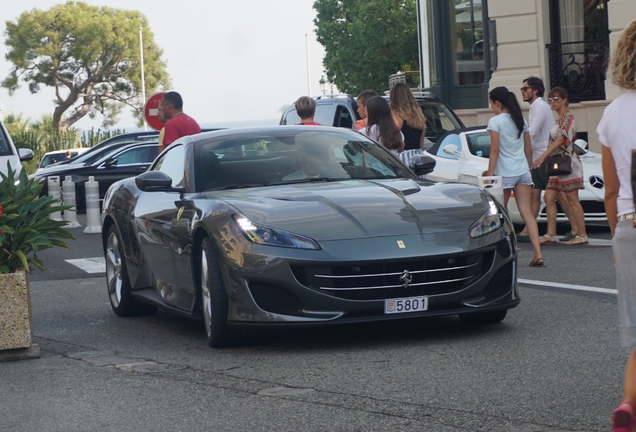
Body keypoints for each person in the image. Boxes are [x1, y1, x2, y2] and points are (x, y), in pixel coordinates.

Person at [597, 19, 636, 432]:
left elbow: (611, 191)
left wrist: (614, 241)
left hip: (629, 226)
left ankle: (629, 404)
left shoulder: (611, 114)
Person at [485, 86, 543, 266]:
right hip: (522, 171)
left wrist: (489, 175)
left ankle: (502, 252)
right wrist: (528, 168)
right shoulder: (520, 120)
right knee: (527, 213)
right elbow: (528, 148)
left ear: (497, 102)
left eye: (491, 104)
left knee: (499, 214)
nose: (491, 107)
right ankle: (538, 254)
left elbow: (494, 151)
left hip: (505, 173)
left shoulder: (495, 122)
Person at [517, 77, 578, 243]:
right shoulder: (536, 108)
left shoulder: (542, 107)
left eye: (525, 88)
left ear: (535, 90)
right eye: (522, 89)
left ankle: (576, 228)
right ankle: (529, 230)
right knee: (536, 194)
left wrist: (518, 147)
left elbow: (532, 132)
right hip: (537, 157)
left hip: (545, 157)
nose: (522, 91)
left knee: (558, 196)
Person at [532, 87, 588, 245]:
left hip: (567, 162)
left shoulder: (568, 117)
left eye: (556, 99)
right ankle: (551, 233)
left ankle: (582, 234)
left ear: (565, 100)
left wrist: (543, 156)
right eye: (550, 99)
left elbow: (561, 140)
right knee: (548, 197)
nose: (553, 102)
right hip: (557, 163)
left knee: (572, 199)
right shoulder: (560, 119)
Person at [389, 83, 427, 167]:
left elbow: (395, 144)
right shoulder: (420, 116)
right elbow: (421, 144)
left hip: (402, 157)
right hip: (418, 157)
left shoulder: (396, 117)